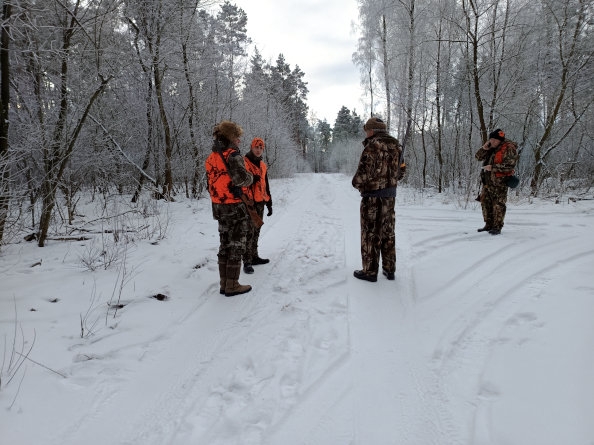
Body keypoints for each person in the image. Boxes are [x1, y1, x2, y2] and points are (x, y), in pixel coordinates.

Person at [352, 117, 405, 282]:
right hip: (390, 198)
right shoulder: (397, 147)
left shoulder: (371, 147)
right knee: (388, 232)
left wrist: (356, 183)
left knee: (370, 234)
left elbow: (361, 176)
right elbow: (401, 173)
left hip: (372, 199)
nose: (366, 134)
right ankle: (389, 270)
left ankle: (369, 272)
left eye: (367, 131)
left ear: (373, 131)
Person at [205, 121, 254, 297]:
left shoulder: (212, 157)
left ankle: (224, 283)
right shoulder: (233, 155)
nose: (239, 141)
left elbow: (210, 184)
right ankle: (233, 285)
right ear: (230, 137)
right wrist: (250, 177)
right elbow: (242, 179)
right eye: (237, 137)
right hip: (235, 207)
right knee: (237, 244)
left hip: (219, 207)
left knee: (224, 244)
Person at [475, 129, 518, 235]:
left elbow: (510, 166)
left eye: (495, 139)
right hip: (487, 182)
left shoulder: (508, 148)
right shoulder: (491, 148)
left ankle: (497, 227)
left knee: (498, 204)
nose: (492, 141)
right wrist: (484, 149)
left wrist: (493, 168)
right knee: (486, 203)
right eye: (491, 139)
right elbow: (478, 157)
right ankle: (488, 225)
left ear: (500, 140)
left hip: (499, 183)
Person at [242, 138, 273, 274]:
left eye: (261, 148)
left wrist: (269, 203)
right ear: (251, 147)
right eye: (256, 147)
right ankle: (247, 261)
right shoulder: (244, 162)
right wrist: (251, 180)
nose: (259, 150)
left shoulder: (263, 165)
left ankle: (254, 257)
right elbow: (239, 181)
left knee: (256, 230)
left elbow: (266, 185)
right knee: (249, 232)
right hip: (249, 202)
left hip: (260, 202)